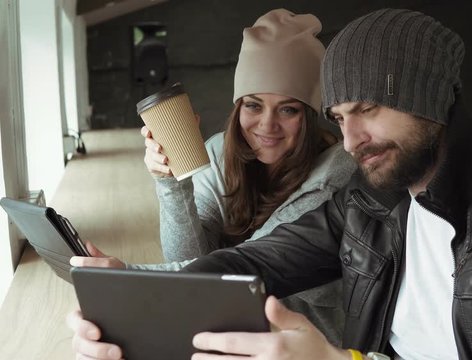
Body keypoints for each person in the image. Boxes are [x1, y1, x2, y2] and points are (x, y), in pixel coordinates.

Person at [68, 8, 472, 360]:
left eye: (368, 109)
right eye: (339, 115)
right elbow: (252, 262)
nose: (351, 140)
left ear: (430, 98)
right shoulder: (375, 197)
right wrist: (135, 303)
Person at [69, 8, 355, 347]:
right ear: (238, 107)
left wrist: (131, 278)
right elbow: (185, 255)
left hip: (302, 341)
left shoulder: (334, 177)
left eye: (288, 109)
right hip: (223, 327)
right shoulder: (221, 152)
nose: (267, 125)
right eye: (253, 105)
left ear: (310, 115)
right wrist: (172, 181)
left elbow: (250, 265)